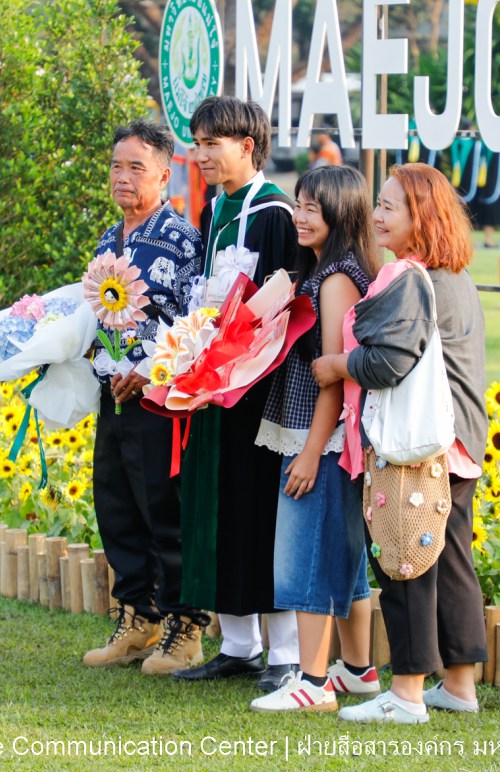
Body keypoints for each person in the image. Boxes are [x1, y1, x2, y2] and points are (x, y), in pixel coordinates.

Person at [312, 162, 489, 725]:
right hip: (457, 440)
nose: (376, 216)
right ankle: (459, 685)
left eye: (389, 206)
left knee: (404, 556)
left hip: (421, 449)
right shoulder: (454, 276)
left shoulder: (409, 278)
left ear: (422, 216)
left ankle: (408, 693)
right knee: (451, 558)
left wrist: (336, 363)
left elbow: (388, 362)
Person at [173, 96, 300, 692]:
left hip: (259, 391)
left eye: (211, 144)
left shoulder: (274, 214)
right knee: (215, 507)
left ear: (247, 147)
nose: (200, 156)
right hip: (211, 387)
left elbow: (284, 304)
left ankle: (286, 655)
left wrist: (233, 358)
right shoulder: (212, 211)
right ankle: (239, 644)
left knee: (260, 513)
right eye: (196, 144)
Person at [250, 165, 379, 713]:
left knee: (303, 559)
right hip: (324, 434)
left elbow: (333, 375)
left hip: (320, 436)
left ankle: (312, 682)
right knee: (346, 564)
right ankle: (357, 672)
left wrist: (309, 451)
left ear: (340, 212)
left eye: (311, 207)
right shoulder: (332, 269)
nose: (299, 216)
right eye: (298, 204)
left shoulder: (334, 280)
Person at [82, 119, 208, 676]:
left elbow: (194, 321)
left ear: (164, 173)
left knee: (164, 512)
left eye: (136, 167)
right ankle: (138, 618)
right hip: (112, 397)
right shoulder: (110, 239)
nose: (123, 177)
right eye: (116, 166)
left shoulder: (183, 241)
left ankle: (185, 630)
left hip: (159, 402)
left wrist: (147, 370)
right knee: (115, 506)